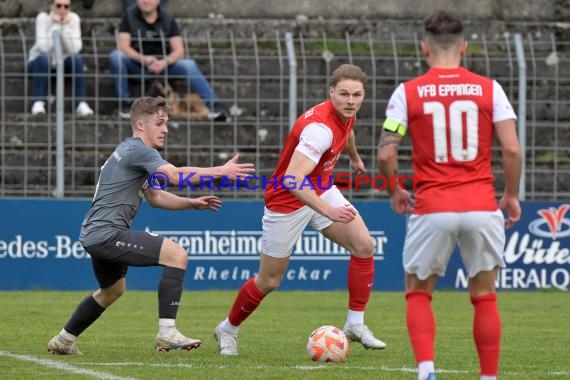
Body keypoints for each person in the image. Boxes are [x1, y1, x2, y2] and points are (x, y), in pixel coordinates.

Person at [47, 96, 254, 355]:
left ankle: (63, 340)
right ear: (141, 126)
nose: (165, 129)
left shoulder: (132, 153)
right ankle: (167, 332)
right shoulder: (139, 150)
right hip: (106, 234)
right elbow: (175, 175)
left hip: (95, 234)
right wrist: (220, 171)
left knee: (112, 291)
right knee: (176, 255)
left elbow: (155, 197)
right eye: (159, 123)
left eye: (166, 122)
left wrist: (191, 203)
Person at [377, 10, 522, 380]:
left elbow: (385, 150)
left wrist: (395, 188)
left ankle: (427, 371)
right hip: (480, 204)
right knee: (484, 294)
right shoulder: (490, 89)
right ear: (464, 47)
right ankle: (488, 377)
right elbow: (512, 150)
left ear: (424, 48)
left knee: (419, 292)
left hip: (433, 205)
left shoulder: (407, 93)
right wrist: (511, 195)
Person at [213, 64, 386, 356]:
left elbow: (348, 133)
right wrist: (328, 212)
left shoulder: (346, 114)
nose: (351, 100)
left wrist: (354, 158)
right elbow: (291, 179)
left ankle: (355, 324)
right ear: (331, 92)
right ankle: (227, 329)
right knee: (269, 280)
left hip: (320, 189)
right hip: (287, 200)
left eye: (357, 95)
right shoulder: (319, 130)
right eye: (344, 94)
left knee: (364, 245)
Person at [109, 0, 225, 120]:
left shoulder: (168, 17)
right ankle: (125, 105)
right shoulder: (129, 16)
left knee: (189, 65)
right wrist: (143, 59)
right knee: (116, 57)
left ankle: (214, 105)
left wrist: (164, 62)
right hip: (137, 65)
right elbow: (123, 46)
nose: (145, 1)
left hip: (164, 67)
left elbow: (179, 50)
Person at [27, 0, 94, 116]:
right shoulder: (42, 18)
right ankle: (38, 102)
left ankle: (81, 103)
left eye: (66, 6)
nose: (62, 9)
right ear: (51, 5)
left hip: (63, 61)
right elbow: (43, 47)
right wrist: (56, 26)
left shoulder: (74, 19)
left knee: (77, 59)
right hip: (39, 63)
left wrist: (64, 28)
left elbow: (75, 49)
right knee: (44, 58)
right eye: (58, 5)